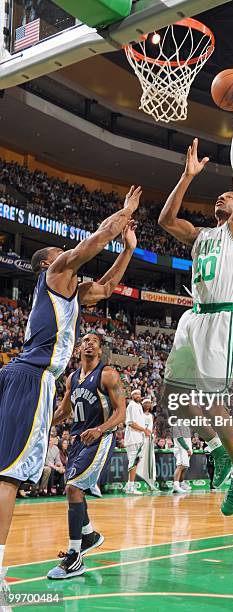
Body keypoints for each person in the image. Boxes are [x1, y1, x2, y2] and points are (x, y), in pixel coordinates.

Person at [0, 184, 141, 581]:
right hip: (32, 378)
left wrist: (128, 248)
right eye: (59, 256)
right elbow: (94, 242)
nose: (67, 259)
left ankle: (83, 539)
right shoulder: (56, 272)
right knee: (9, 476)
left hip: (22, 376)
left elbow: (110, 287)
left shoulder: (71, 296)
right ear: (48, 265)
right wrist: (124, 212)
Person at [158, 85, 233, 516]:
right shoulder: (201, 236)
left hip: (225, 319)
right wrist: (188, 176)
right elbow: (164, 219)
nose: (223, 196)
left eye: (228, 197)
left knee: (214, 399)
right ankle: (217, 447)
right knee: (177, 395)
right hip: (193, 319)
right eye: (219, 196)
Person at [47, 333, 126, 579]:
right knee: (73, 487)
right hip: (79, 441)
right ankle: (89, 534)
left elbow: (121, 412)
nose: (89, 343)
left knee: (73, 487)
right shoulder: (72, 378)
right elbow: (65, 409)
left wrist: (100, 429)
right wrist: (44, 424)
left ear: (100, 351)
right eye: (85, 340)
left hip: (101, 438)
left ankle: (74, 555)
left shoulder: (108, 374)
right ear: (79, 348)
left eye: (94, 341)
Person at [124, 389, 150, 495]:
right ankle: (130, 487)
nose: (138, 396)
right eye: (136, 394)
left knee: (135, 462)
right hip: (132, 438)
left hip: (138, 438)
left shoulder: (139, 406)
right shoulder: (131, 406)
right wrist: (144, 430)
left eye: (139, 394)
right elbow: (130, 423)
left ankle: (128, 486)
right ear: (132, 395)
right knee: (133, 462)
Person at [172, 423, 192, 494]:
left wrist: (189, 449)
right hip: (181, 449)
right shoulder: (177, 425)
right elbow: (179, 438)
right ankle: (176, 486)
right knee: (180, 466)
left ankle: (181, 484)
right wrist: (187, 448)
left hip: (186, 449)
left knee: (184, 467)